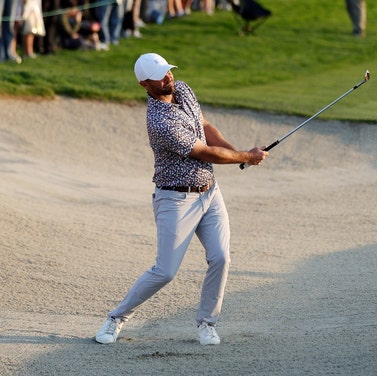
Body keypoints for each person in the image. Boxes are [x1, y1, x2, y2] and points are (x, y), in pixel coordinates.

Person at [94, 53, 268, 346]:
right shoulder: (160, 122)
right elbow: (203, 152)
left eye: (168, 71)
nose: (168, 77)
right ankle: (116, 317)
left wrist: (239, 154)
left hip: (209, 193)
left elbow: (206, 128)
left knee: (221, 258)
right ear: (144, 84)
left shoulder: (183, 89)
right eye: (160, 76)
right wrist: (245, 156)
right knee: (165, 271)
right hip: (176, 201)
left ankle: (207, 323)